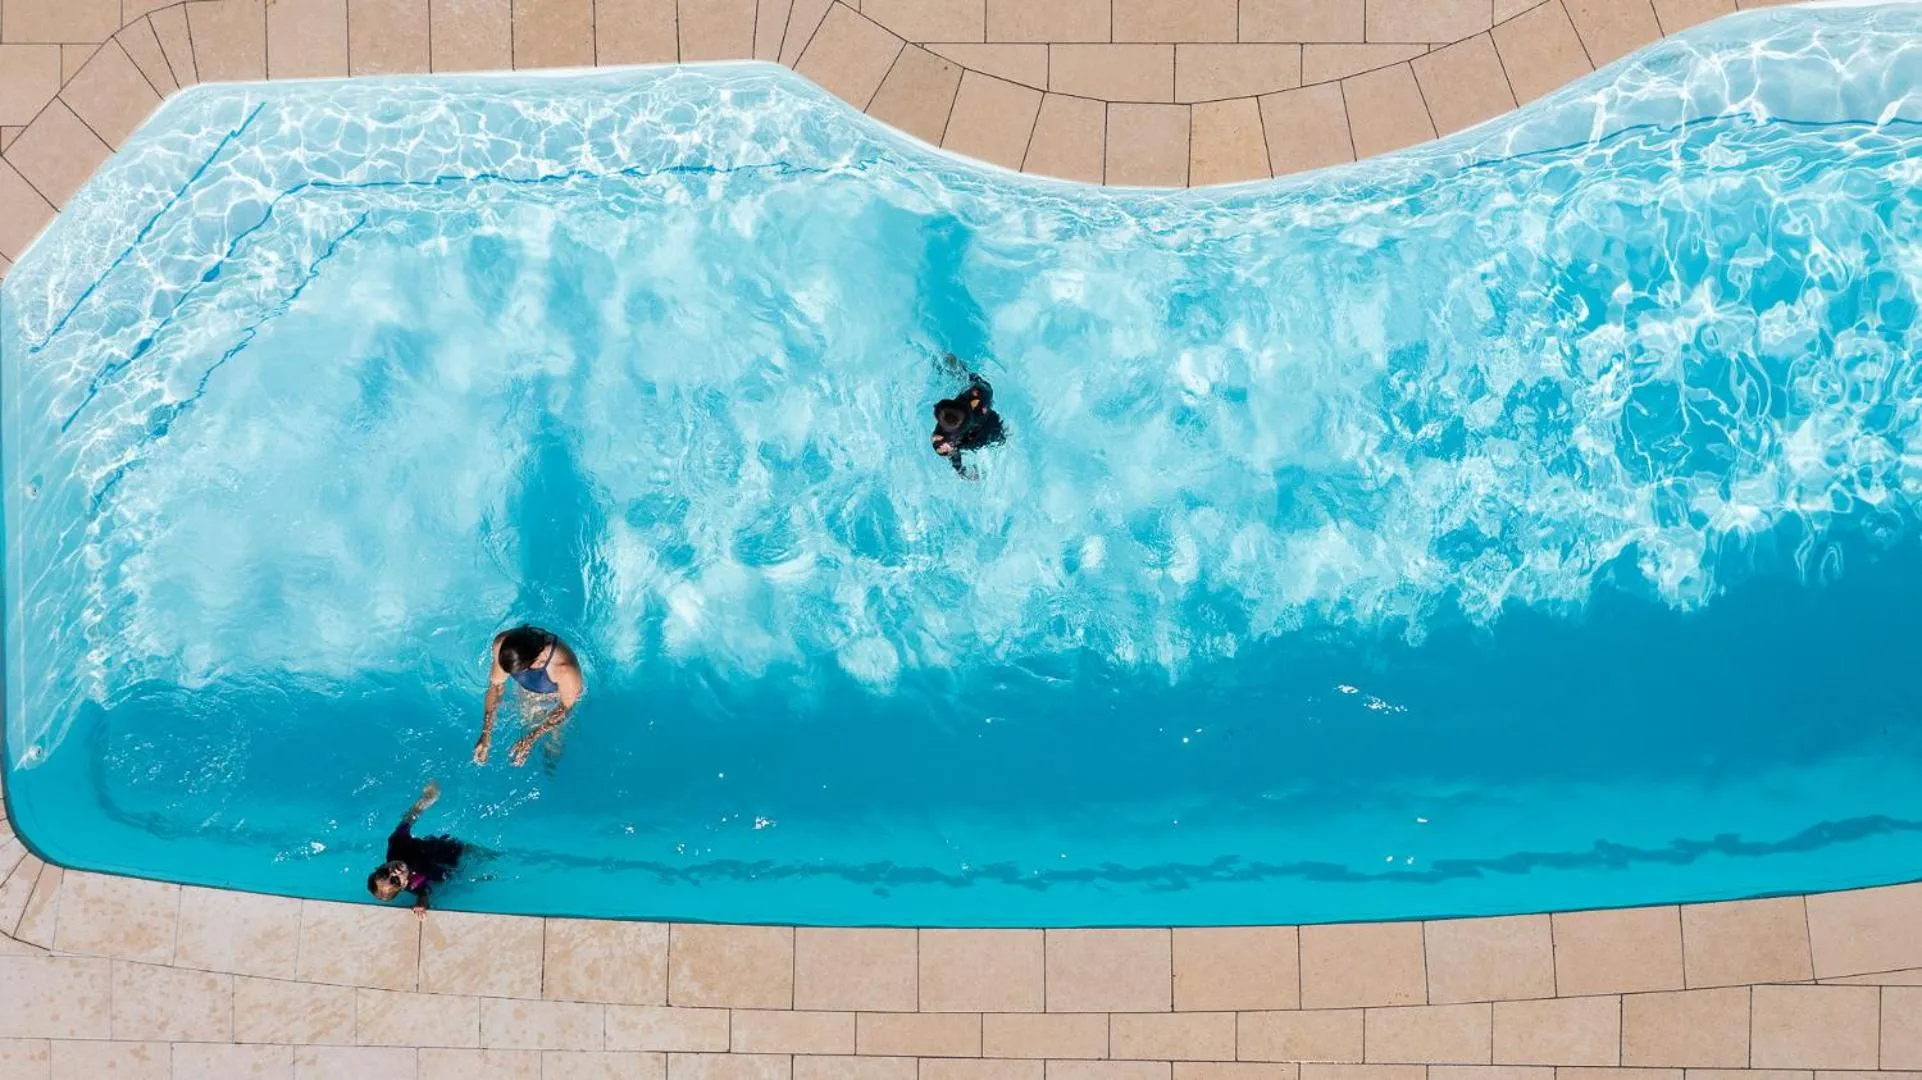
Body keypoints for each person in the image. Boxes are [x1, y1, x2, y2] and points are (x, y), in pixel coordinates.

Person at [476, 625, 585, 767]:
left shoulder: (564, 669)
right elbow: (496, 686)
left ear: (536, 662)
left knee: (554, 742)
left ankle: (551, 767)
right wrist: (486, 733)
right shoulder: (503, 645)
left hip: (554, 699)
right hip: (527, 691)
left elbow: (565, 708)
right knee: (524, 723)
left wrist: (531, 738)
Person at [367, 781, 462, 917]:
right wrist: (422, 900)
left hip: (434, 846)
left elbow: (409, 819)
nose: (392, 873)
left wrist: (428, 798)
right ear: (404, 885)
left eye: (383, 873)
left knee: (448, 844)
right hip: (447, 864)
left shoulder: (396, 844)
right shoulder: (414, 883)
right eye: (394, 880)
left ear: (380, 866)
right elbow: (424, 891)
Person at [930, 360, 1005, 478]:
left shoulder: (941, 438)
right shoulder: (977, 394)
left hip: (979, 434)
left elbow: (950, 452)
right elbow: (986, 388)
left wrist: (961, 471)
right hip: (987, 428)